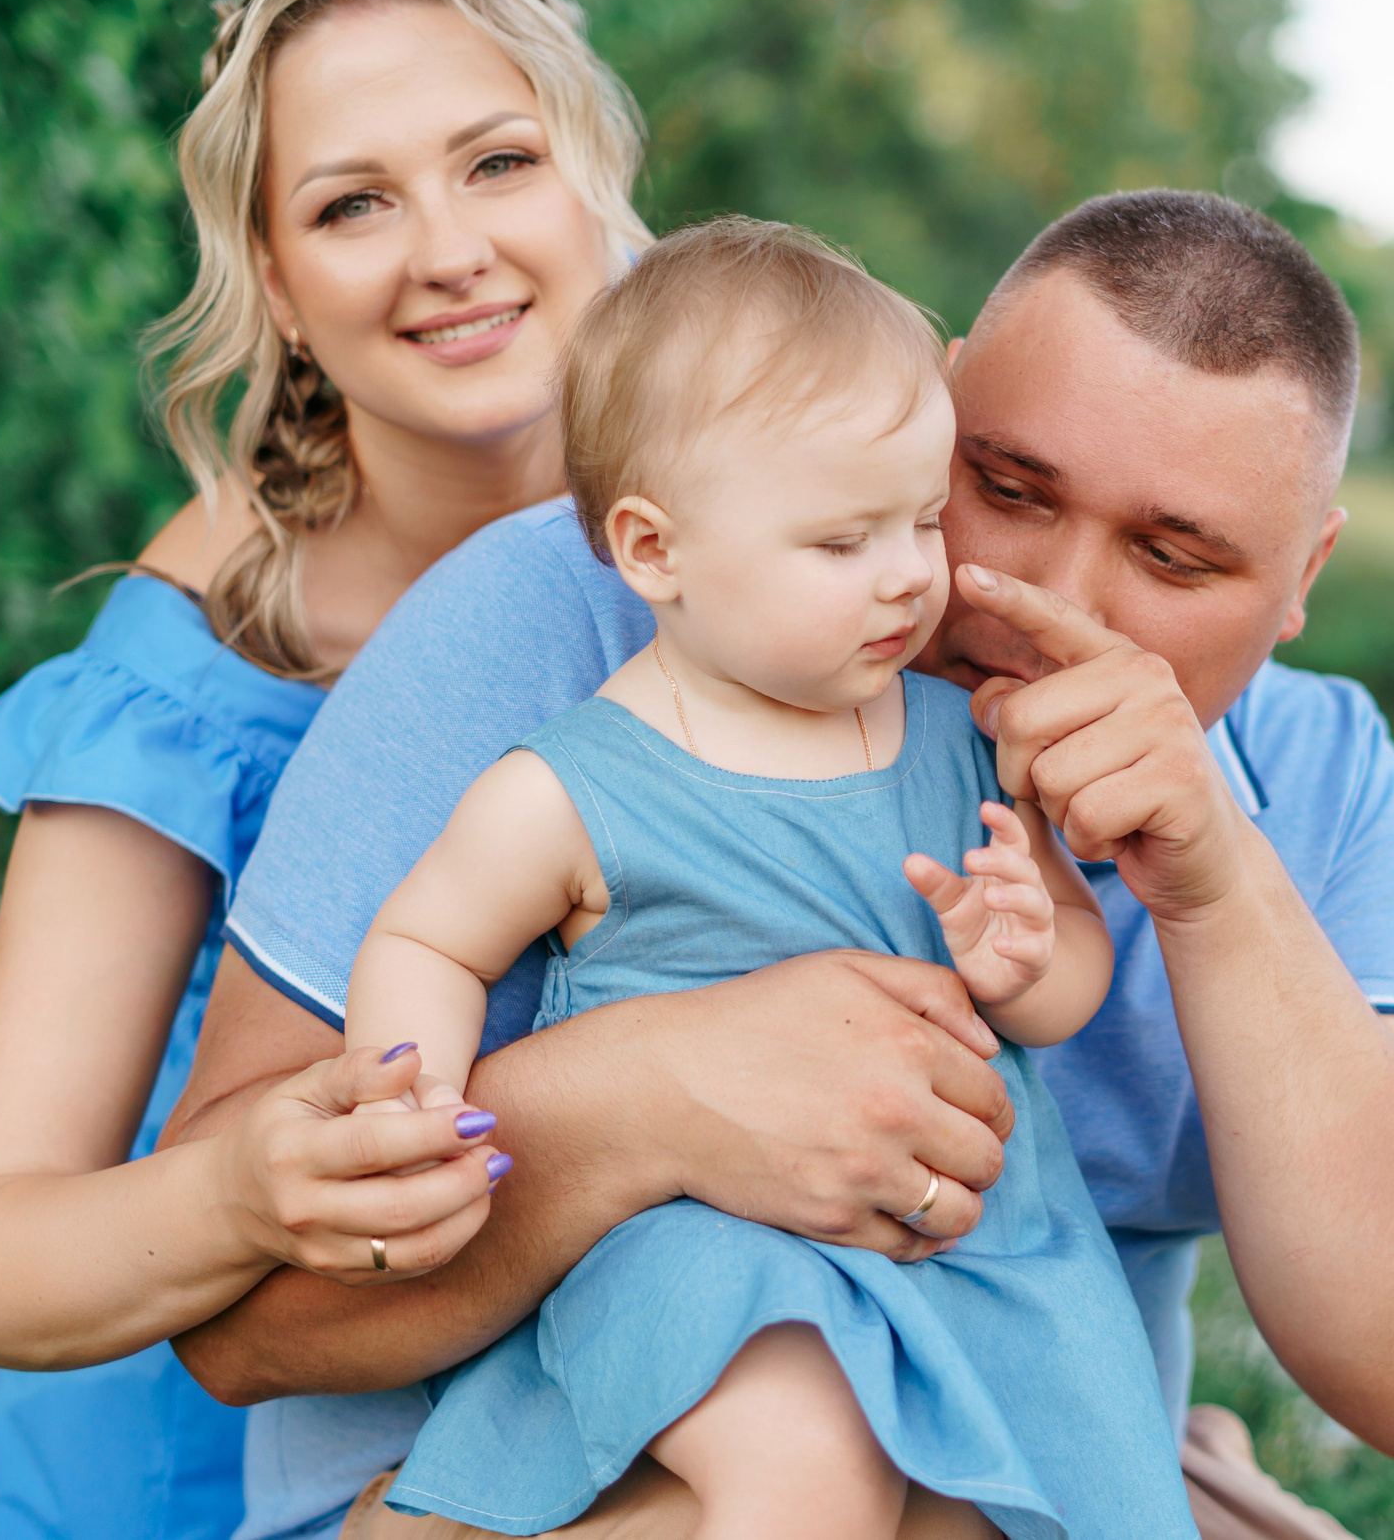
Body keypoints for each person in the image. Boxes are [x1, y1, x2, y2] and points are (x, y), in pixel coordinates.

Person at [166, 189, 1394, 1540]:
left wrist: (1216, 891)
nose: (1048, 603)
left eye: (1174, 560)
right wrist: (638, 1101)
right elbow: (229, 1315)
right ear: (932, 405)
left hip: (999, 1469)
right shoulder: (578, 615)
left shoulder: (1318, 781)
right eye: (1001, 489)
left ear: (1304, 575)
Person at [0, 0, 649, 1540]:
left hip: (584, 1418)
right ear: (278, 290)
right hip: (205, 1470)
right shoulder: (204, 658)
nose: (448, 250)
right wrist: (238, 1192)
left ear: (598, 178)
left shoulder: (774, 531)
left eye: (500, 162)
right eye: (350, 204)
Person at [347, 217, 1189, 1538]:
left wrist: (1022, 959)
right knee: (807, 1461)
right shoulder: (573, 784)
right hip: (703, 1240)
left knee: (984, 1512)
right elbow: (430, 942)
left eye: (923, 520)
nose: (908, 576)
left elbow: (1071, 978)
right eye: (843, 543)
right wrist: (412, 1094)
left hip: (966, 1246)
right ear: (654, 550)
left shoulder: (959, 740)